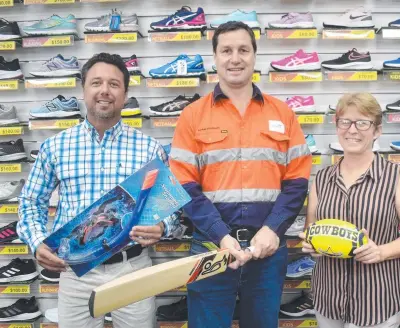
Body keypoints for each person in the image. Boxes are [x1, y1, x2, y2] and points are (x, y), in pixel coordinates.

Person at [17, 53, 180, 328]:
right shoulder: (56, 147)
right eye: (96, 82)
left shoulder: (148, 148)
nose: (105, 90)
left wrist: (163, 226)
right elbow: (31, 201)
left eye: (114, 84)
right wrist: (36, 242)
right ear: (83, 88)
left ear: (125, 92)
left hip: (132, 268)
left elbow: (169, 205)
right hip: (75, 271)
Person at [169, 21, 312, 328]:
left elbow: (297, 180)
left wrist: (273, 229)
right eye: (227, 50)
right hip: (211, 248)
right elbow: (183, 184)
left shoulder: (282, 113)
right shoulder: (192, 116)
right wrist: (220, 234)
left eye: (243, 50)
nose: (235, 58)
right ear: (215, 57)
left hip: (268, 250)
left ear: (254, 55)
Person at [300, 93, 400, 328]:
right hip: (329, 297)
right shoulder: (322, 179)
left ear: (377, 130)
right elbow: (312, 229)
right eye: (345, 122)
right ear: (336, 126)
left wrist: (381, 252)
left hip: (377, 298)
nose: (352, 130)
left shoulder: (397, 177)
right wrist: (312, 246)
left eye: (363, 123)